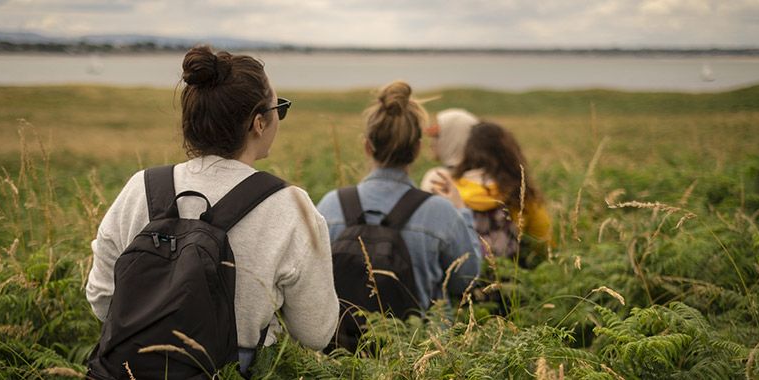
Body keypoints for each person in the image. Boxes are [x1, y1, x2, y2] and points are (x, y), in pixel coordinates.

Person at [85, 45, 338, 374]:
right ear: (258, 123)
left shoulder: (140, 187)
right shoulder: (290, 206)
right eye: (279, 109)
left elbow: (101, 299)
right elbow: (316, 333)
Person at [316, 81, 481, 314]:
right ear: (417, 149)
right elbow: (466, 281)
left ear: (367, 146)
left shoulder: (331, 205)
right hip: (422, 347)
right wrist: (462, 211)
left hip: (342, 348)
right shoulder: (441, 212)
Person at [423, 112, 552, 266]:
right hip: (509, 282)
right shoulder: (521, 192)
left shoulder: (446, 188)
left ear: (469, 150)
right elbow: (544, 243)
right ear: (511, 153)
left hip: (461, 277)